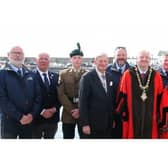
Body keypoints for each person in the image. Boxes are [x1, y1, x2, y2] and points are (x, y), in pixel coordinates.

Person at [116, 50, 163, 138]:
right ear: (136, 59)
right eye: (141, 57)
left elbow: (160, 100)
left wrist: (159, 117)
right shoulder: (128, 74)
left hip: (151, 120)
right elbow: (122, 98)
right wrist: (123, 116)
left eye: (147, 57)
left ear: (150, 60)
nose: (144, 59)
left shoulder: (157, 76)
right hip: (132, 120)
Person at [0, 46, 41, 139]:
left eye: (20, 53)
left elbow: (38, 97)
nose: (18, 55)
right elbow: (2, 99)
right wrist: (19, 117)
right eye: (15, 53)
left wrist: (32, 115)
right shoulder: (2, 74)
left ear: (24, 56)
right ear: (8, 55)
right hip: (9, 122)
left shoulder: (31, 74)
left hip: (28, 121)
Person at [79, 53, 117, 138]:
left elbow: (111, 100)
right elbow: (82, 102)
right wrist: (85, 124)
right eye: (100, 61)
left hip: (108, 123)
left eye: (105, 61)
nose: (103, 63)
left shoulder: (110, 76)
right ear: (95, 62)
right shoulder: (87, 78)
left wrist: (112, 119)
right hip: (93, 123)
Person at [58, 43, 87, 139]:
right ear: (71, 59)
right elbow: (61, 94)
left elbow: (89, 95)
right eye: (74, 58)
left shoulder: (88, 75)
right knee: (67, 137)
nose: (77, 60)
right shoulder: (63, 74)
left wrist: (80, 110)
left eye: (79, 57)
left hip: (83, 112)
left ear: (82, 59)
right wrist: (71, 110)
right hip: (68, 112)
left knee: (85, 137)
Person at [32, 53, 61, 139]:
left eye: (46, 59)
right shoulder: (30, 76)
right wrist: (42, 111)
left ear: (49, 61)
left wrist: (55, 109)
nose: (43, 61)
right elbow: (28, 97)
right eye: (41, 59)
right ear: (36, 61)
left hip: (53, 119)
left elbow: (61, 95)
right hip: (36, 119)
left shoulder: (56, 76)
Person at [106, 46, 130, 138]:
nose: (121, 57)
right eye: (118, 55)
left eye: (123, 55)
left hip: (126, 112)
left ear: (127, 56)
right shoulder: (107, 70)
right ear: (114, 56)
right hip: (111, 111)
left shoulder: (132, 71)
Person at [158, 54, 168, 138]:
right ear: (161, 62)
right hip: (159, 112)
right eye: (165, 60)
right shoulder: (155, 75)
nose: (167, 62)